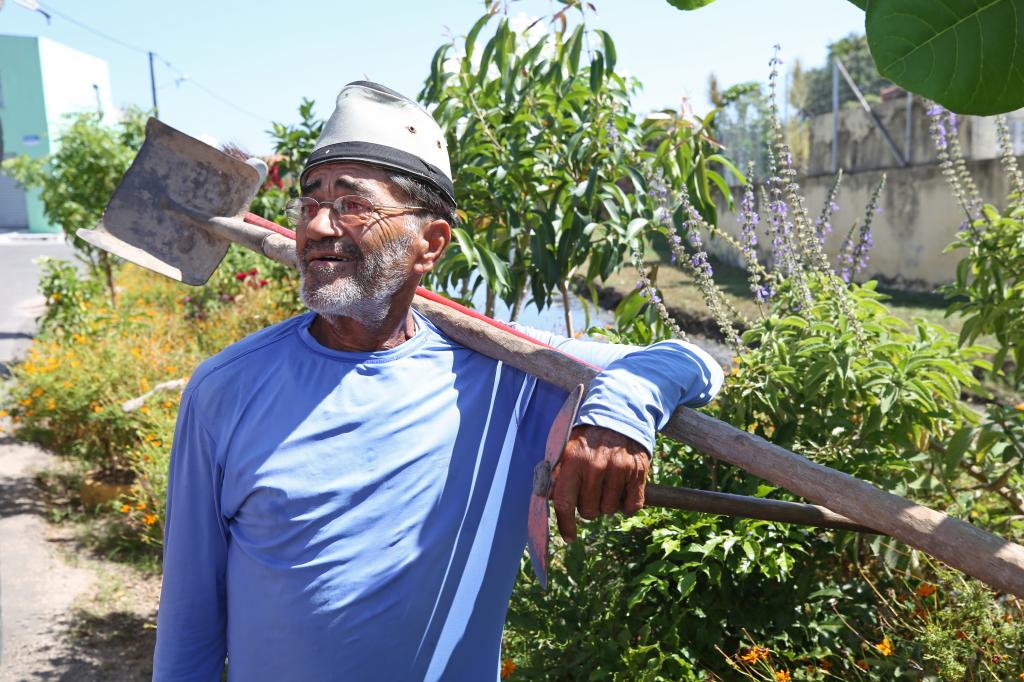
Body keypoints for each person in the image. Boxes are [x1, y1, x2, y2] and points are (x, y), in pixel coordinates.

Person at [152, 81, 724, 681]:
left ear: (429, 244)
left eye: (352, 204)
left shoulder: (509, 373)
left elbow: (693, 363)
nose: (317, 225)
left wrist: (618, 413)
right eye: (310, 202)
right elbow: (189, 618)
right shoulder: (225, 390)